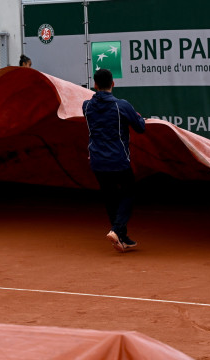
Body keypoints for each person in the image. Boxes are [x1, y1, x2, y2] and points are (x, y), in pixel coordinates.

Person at [82, 68, 146, 253]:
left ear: (95, 85)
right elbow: (140, 127)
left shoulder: (86, 106)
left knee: (111, 198)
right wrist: (139, 117)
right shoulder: (122, 105)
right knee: (129, 193)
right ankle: (117, 230)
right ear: (113, 84)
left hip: (97, 161)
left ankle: (122, 238)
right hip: (118, 160)